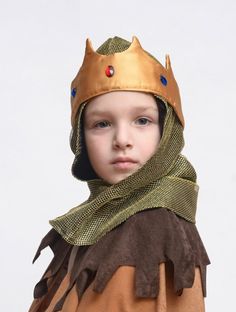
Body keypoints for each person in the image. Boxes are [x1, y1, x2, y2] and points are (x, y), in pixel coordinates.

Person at [28, 36, 210, 312]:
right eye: (102, 124)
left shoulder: (160, 232)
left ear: (166, 131)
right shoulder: (87, 223)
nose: (122, 139)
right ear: (80, 139)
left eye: (142, 121)